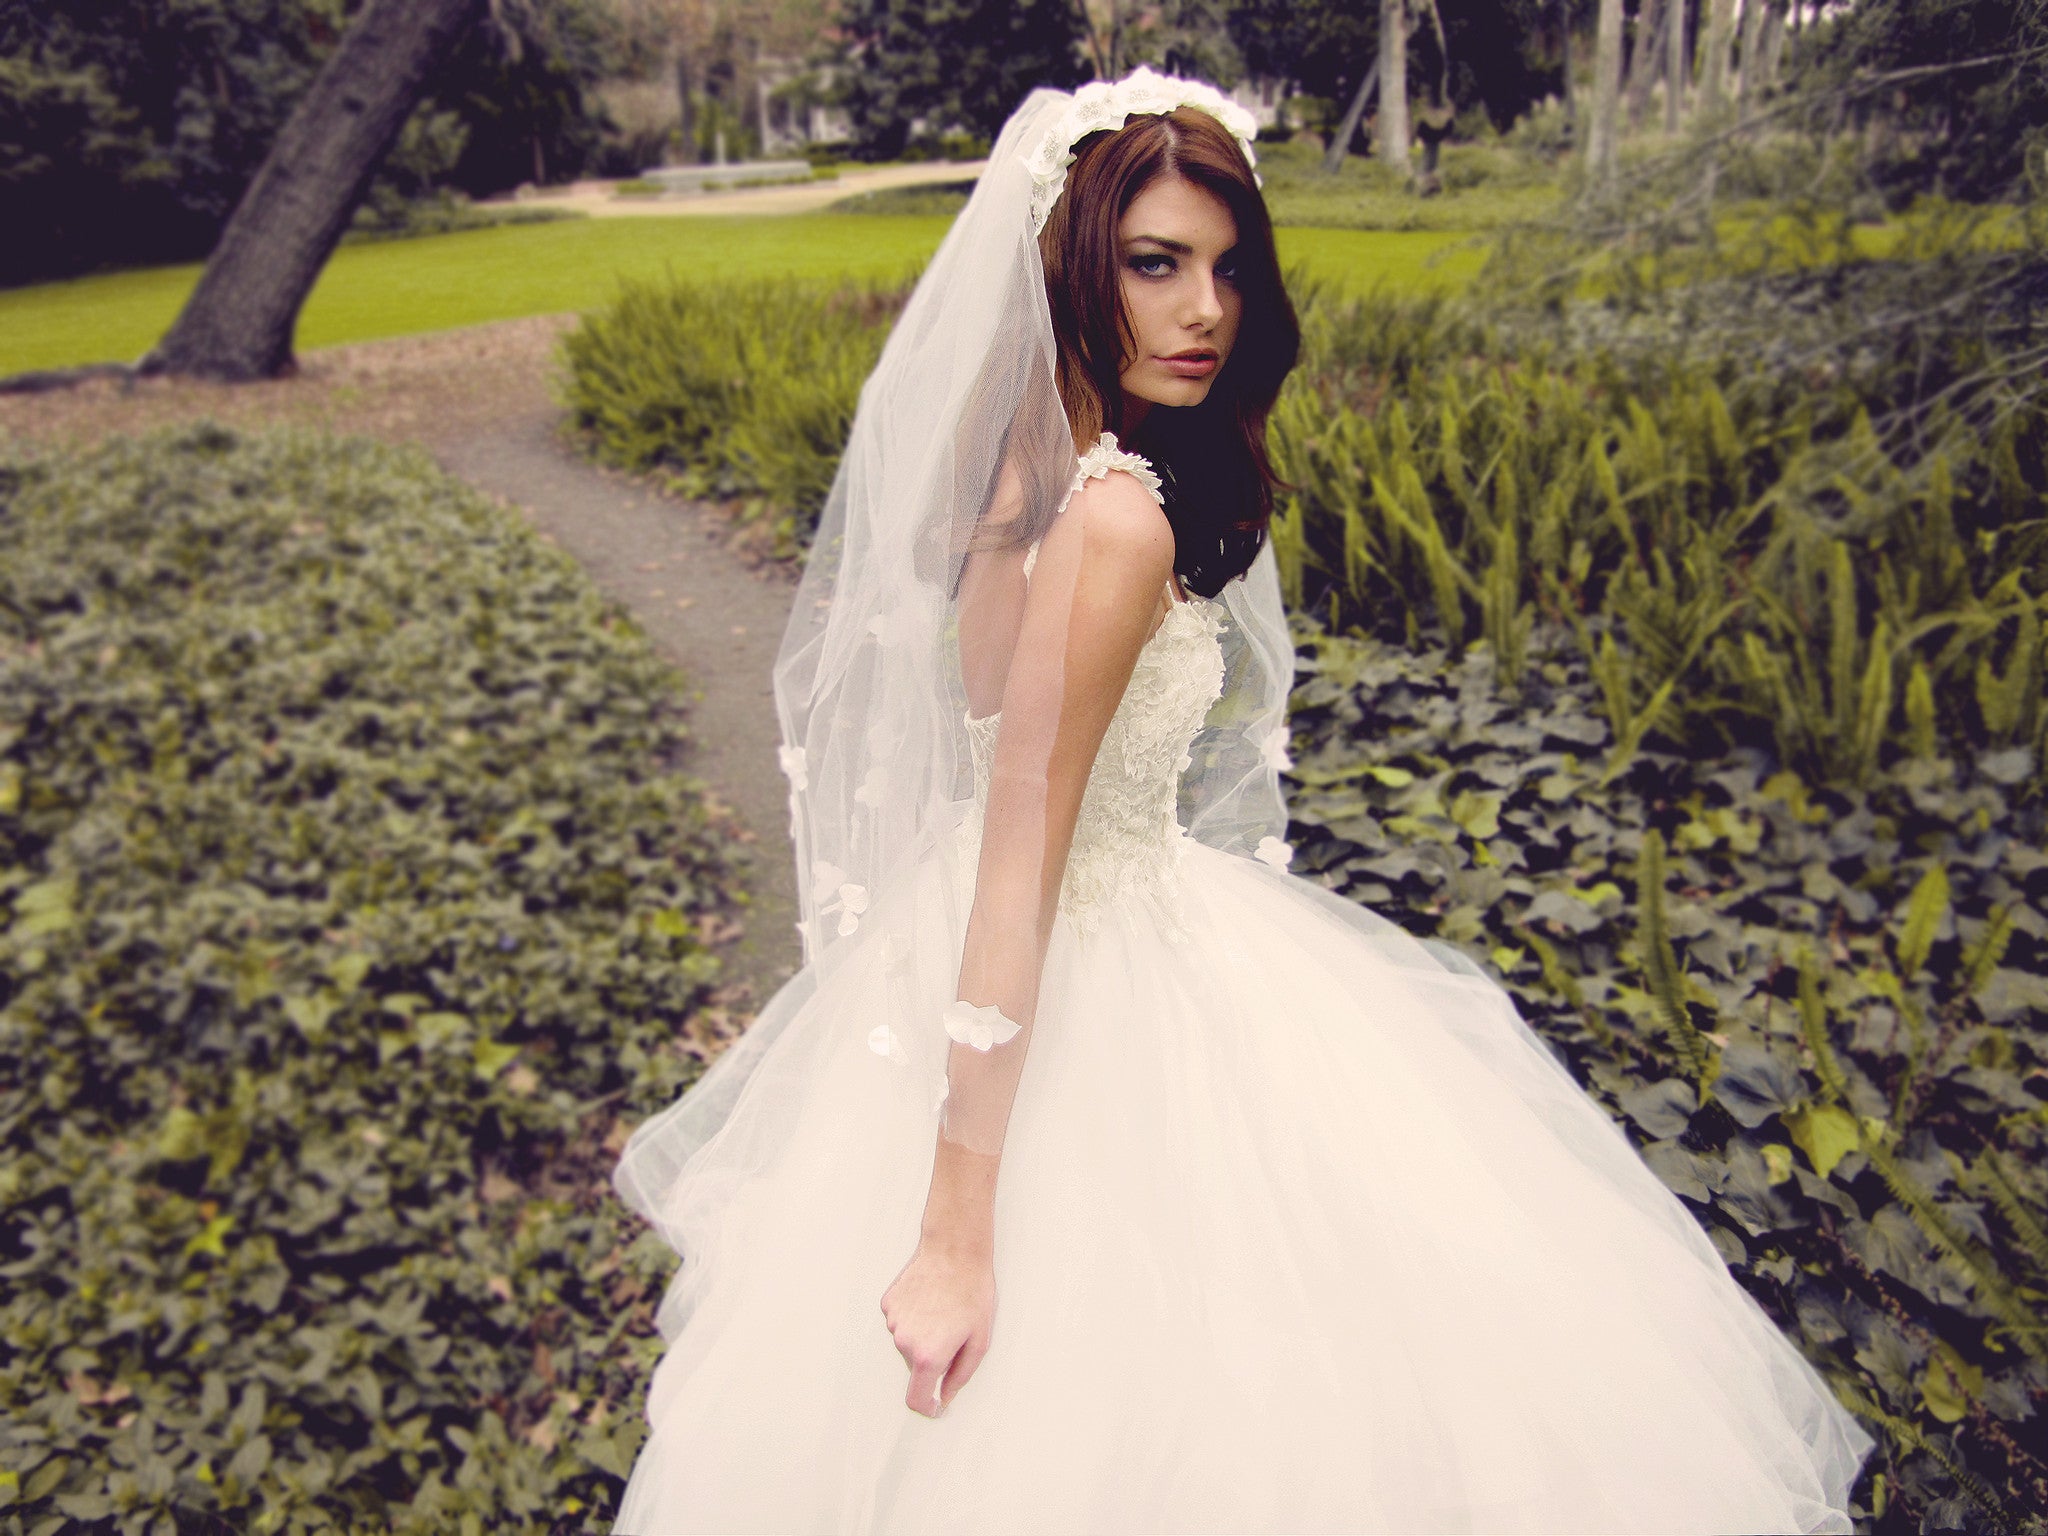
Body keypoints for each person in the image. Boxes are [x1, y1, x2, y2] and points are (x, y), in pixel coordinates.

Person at [608, 66, 1877, 1535]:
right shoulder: (1114, 518)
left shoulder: (1035, 488)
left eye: (1223, 268)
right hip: (1057, 967)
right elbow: (1023, 848)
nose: (1205, 309)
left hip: (996, 950)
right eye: (1155, 265)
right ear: (1075, 271)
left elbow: (991, 778)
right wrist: (958, 1231)